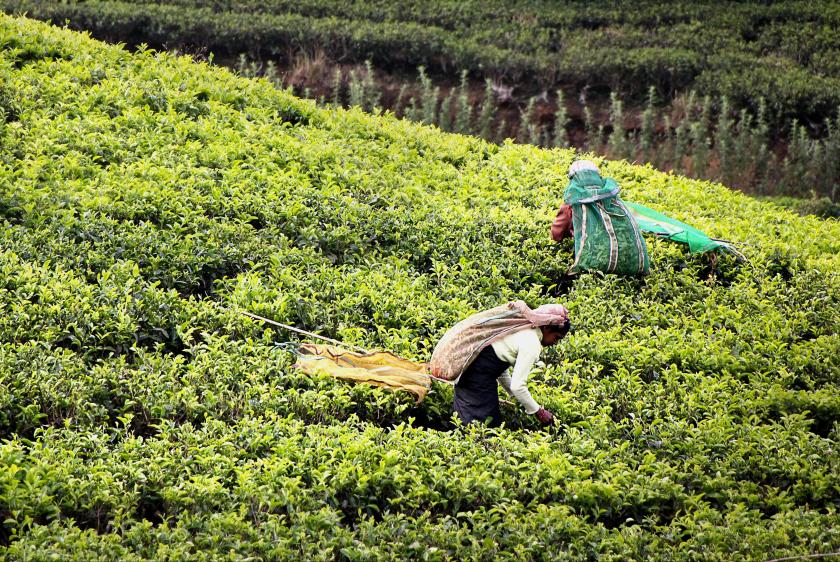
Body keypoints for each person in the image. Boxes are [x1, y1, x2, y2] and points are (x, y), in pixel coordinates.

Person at [449, 304, 570, 427]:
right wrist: (539, 412)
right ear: (546, 328)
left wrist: (515, 397)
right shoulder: (532, 343)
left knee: (468, 422)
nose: (555, 343)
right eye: (556, 338)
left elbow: (499, 368)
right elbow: (518, 386)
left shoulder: (522, 329)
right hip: (477, 378)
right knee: (484, 426)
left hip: (469, 372)